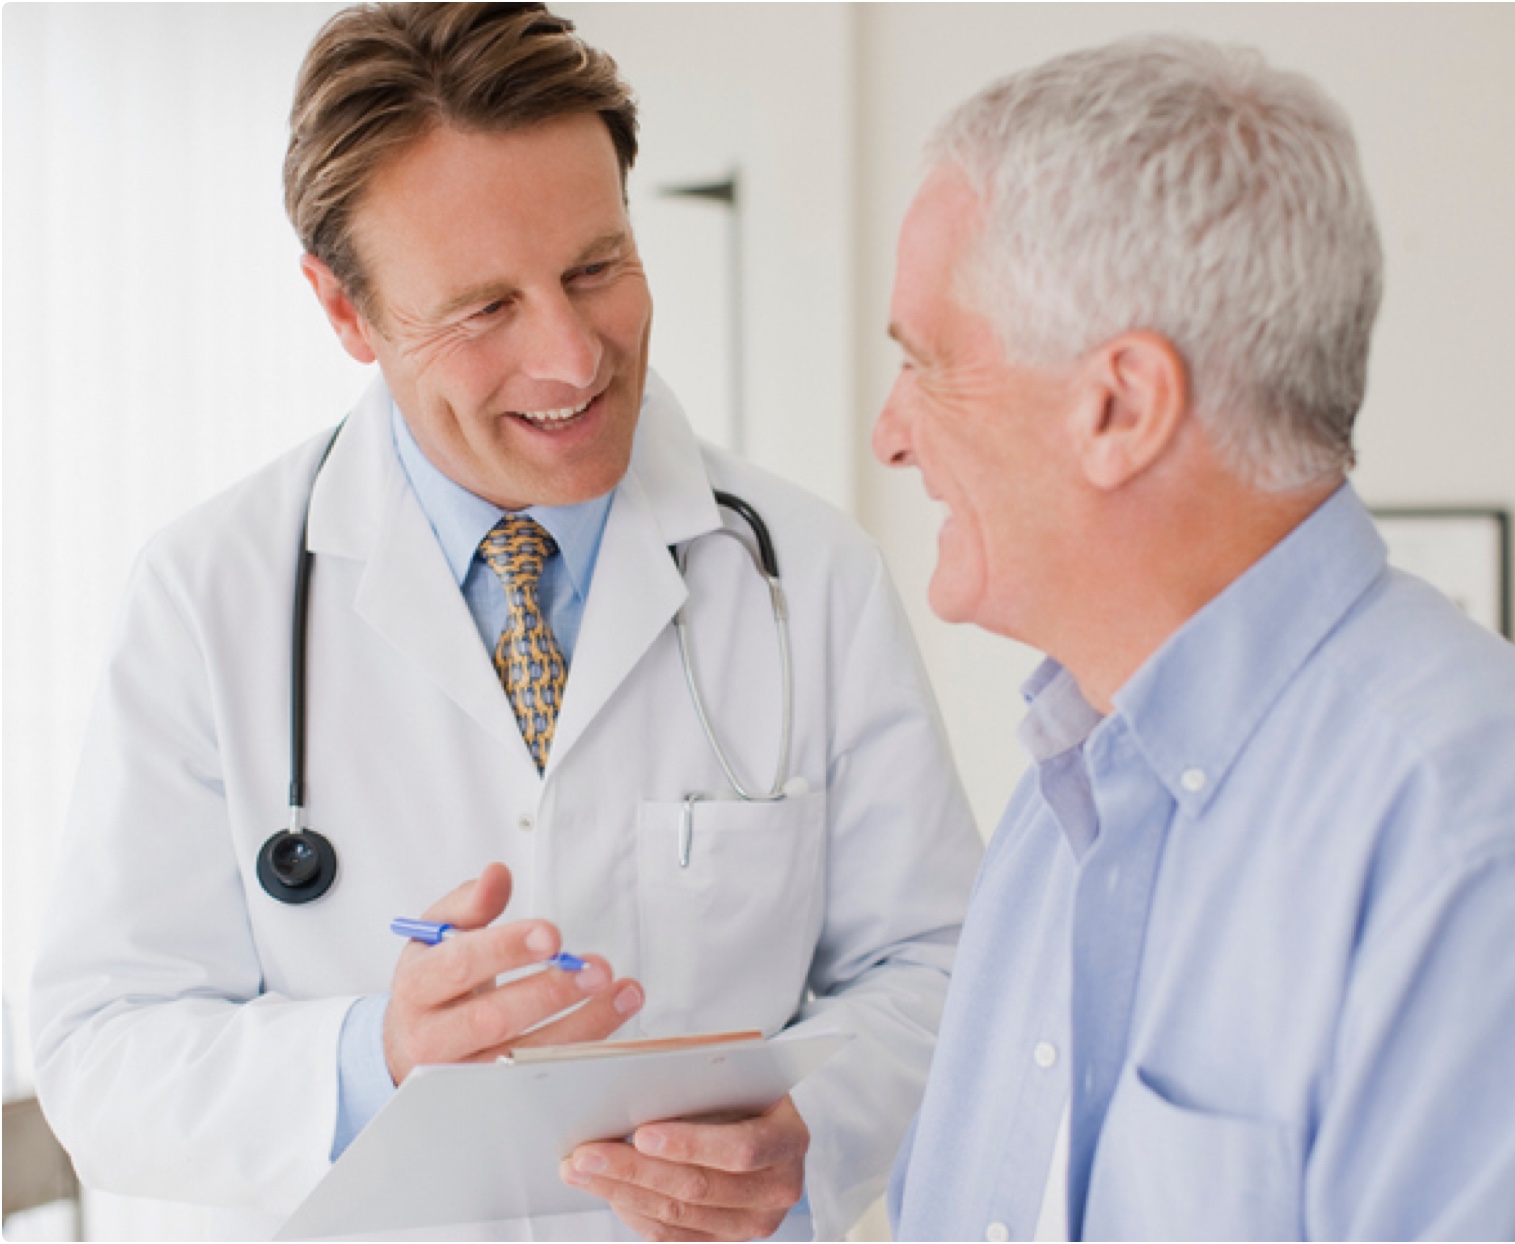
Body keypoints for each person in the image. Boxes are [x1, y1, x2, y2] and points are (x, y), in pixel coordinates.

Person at [29, 5, 982, 1239]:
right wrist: (373, 1057)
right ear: (344, 310)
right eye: (483, 308)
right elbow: (101, 1054)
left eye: (597, 267)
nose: (571, 356)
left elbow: (951, 971)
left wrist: (818, 1128)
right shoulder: (212, 596)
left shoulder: (805, 573)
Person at [875, 33, 1515, 1242]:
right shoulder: (1058, 810)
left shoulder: (1500, 844)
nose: (891, 434)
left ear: (1121, 407)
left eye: (927, 367)